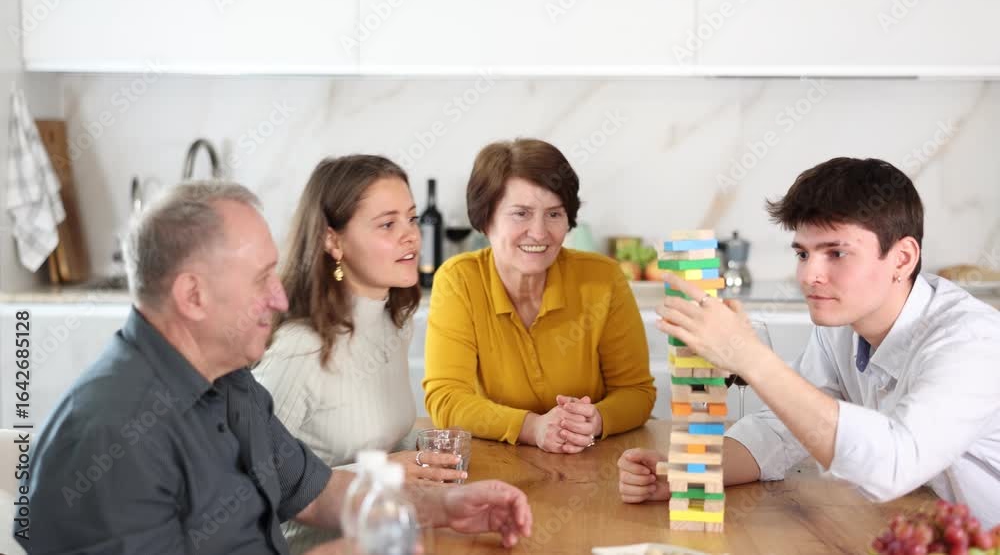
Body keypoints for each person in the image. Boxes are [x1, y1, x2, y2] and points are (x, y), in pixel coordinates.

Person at [18, 181, 533, 555]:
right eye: (261, 279)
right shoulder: (111, 434)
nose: (281, 298)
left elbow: (314, 492)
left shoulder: (230, 381)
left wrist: (442, 508)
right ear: (193, 296)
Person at [616, 157, 1000, 527]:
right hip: (927, 530)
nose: (809, 275)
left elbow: (892, 465)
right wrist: (689, 474)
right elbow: (783, 429)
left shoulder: (971, 342)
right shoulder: (841, 325)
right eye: (803, 253)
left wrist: (748, 355)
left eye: (837, 253)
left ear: (902, 258)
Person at [253, 156, 465, 553]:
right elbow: (256, 484)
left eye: (411, 219)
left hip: (387, 537)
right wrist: (385, 471)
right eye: (387, 224)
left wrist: (425, 450)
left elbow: (378, 435)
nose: (411, 236)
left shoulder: (394, 322)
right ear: (333, 241)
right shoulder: (300, 350)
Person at [423, 138, 656, 453]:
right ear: (486, 219)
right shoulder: (459, 280)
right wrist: (532, 427)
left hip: (590, 462)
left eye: (554, 214)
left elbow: (636, 392)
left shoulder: (603, 279)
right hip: (493, 466)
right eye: (521, 213)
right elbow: (447, 399)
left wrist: (596, 419)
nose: (539, 232)